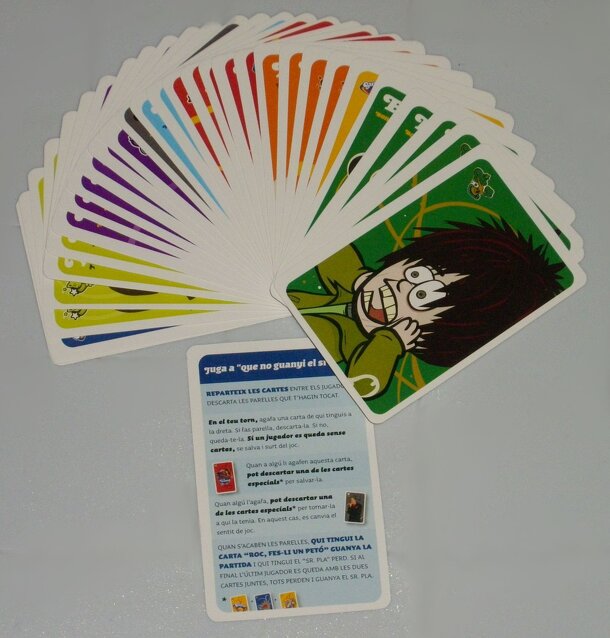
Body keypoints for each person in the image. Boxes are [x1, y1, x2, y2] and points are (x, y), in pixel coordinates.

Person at [288, 219, 563, 399]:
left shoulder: (362, 346)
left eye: (422, 297)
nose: (400, 286)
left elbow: (363, 384)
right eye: (416, 273)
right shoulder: (350, 283)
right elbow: (327, 248)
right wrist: (360, 278)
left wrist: (390, 342)